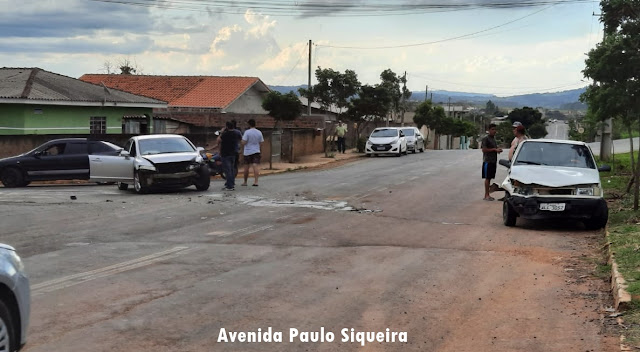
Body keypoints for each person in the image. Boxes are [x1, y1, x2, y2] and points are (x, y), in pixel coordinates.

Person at [481, 123, 503, 201]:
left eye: (495, 129)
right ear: (489, 130)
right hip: (487, 161)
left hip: (493, 161)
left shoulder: (493, 139)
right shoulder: (485, 139)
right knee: (487, 178)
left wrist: (497, 150)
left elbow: (494, 148)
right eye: (492, 129)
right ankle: (486, 195)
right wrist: (494, 149)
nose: (494, 131)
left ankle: (488, 194)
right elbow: (484, 150)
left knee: (490, 178)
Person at [241, 119, 264, 187]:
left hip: (247, 151)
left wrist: (242, 142)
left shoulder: (247, 132)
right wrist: (261, 152)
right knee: (255, 166)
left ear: (249, 124)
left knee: (246, 167)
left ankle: (245, 182)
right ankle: (256, 181)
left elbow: (244, 142)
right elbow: (261, 143)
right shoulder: (259, 132)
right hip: (256, 151)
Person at [218, 121, 239, 191]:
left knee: (228, 170)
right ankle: (230, 183)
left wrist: (221, 132)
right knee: (232, 169)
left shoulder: (225, 134)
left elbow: (218, 140)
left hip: (225, 154)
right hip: (233, 154)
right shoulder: (236, 133)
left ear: (227, 127)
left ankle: (230, 186)